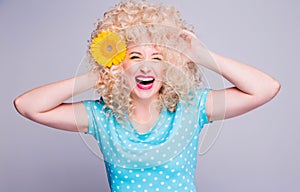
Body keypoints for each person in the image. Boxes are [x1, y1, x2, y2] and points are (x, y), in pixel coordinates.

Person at [14, 0, 280, 191]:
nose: (146, 66)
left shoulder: (192, 108)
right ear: (121, 64)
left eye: (157, 57)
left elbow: (266, 88)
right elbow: (27, 106)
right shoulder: (100, 117)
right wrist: (97, 75)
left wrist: (201, 56)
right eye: (134, 56)